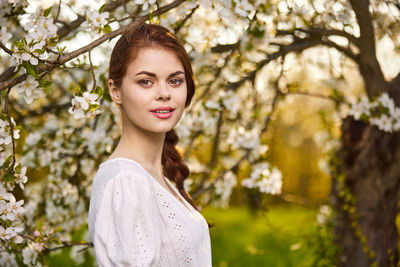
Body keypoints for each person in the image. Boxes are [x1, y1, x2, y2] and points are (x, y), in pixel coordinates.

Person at [88, 22, 212, 266]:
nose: (164, 93)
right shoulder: (125, 181)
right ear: (115, 91)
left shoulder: (156, 177)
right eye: (146, 81)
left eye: (175, 81)